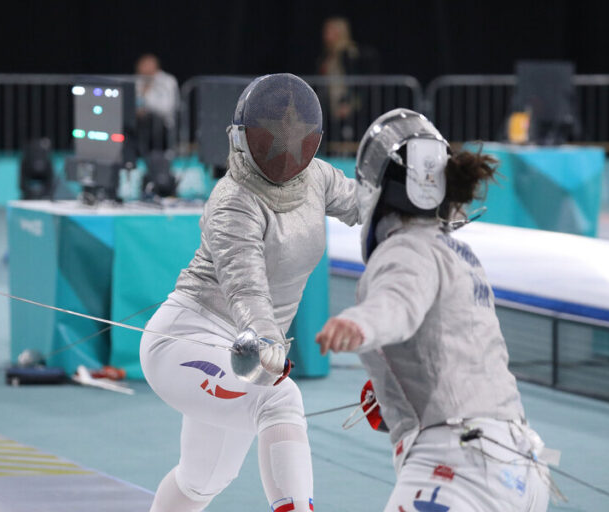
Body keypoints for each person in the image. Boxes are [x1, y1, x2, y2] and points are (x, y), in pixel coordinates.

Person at [140, 73, 360, 512]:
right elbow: (246, 286)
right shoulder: (233, 200)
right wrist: (267, 339)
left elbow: (364, 205)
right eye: (271, 134)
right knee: (279, 397)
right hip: (188, 336)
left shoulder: (316, 178)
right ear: (244, 138)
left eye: (293, 132)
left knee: (203, 479)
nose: (284, 144)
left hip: (246, 352)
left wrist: (423, 213)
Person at [315, 109, 552, 511]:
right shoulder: (460, 254)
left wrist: (358, 322)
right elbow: (450, 349)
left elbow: (398, 304)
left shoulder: (405, 249)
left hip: (457, 468)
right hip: (521, 467)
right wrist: (393, 400)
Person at [317, 17, 379, 145]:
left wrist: (349, 103)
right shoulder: (328, 55)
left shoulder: (349, 53)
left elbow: (355, 80)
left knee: (349, 138)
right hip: (330, 104)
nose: (325, 35)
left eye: (329, 31)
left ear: (339, 33)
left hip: (347, 104)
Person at [135, 54, 179, 153]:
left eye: (146, 65)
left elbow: (167, 107)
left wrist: (146, 96)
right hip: (139, 121)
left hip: (163, 124)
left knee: (150, 119)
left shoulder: (167, 81)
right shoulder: (138, 81)